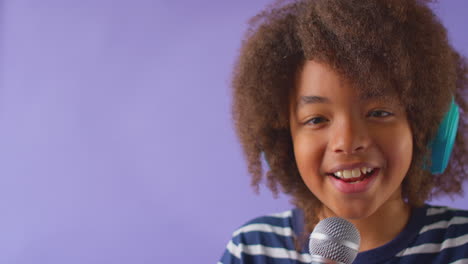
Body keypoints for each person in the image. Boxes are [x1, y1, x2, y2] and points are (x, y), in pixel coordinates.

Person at [219, 0, 468, 263]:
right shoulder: (253, 249)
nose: (347, 142)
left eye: (379, 113)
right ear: (282, 141)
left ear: (427, 129)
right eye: (316, 119)